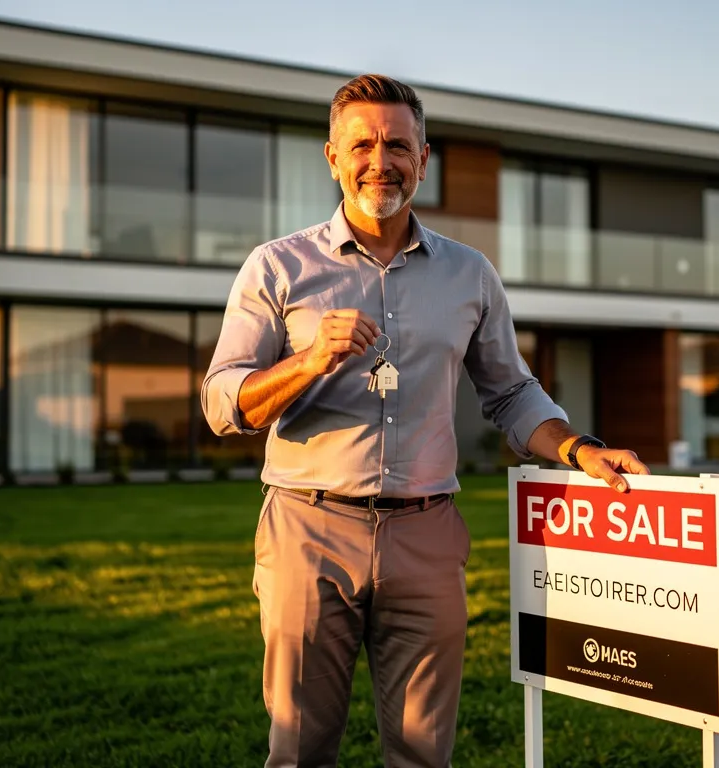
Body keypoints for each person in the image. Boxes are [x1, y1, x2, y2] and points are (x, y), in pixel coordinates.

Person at [202, 74, 649, 768]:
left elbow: (512, 392)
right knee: (299, 750)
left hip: (426, 534)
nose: (379, 161)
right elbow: (223, 403)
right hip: (308, 534)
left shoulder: (470, 275)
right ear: (332, 157)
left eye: (396, 145)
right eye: (362, 145)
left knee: (422, 755)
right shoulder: (278, 267)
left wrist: (580, 449)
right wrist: (309, 360)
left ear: (423, 158)